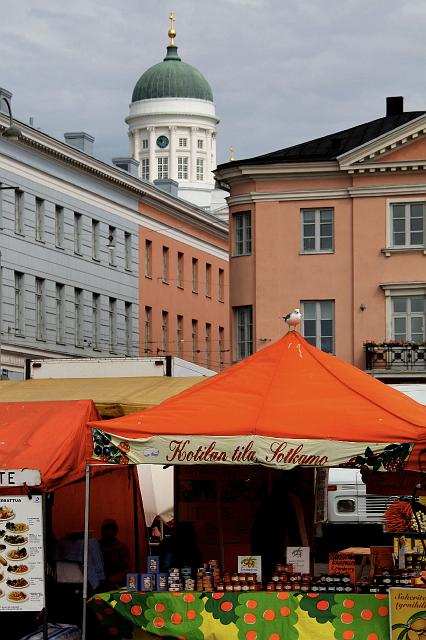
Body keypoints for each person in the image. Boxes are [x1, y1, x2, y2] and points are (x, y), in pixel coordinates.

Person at [99, 518, 130, 588]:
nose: (110, 532)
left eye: (112, 530)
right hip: (98, 583)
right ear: (102, 531)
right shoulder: (96, 546)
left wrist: (112, 579)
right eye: (107, 529)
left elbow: (126, 570)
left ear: (116, 532)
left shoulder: (122, 548)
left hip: (117, 584)